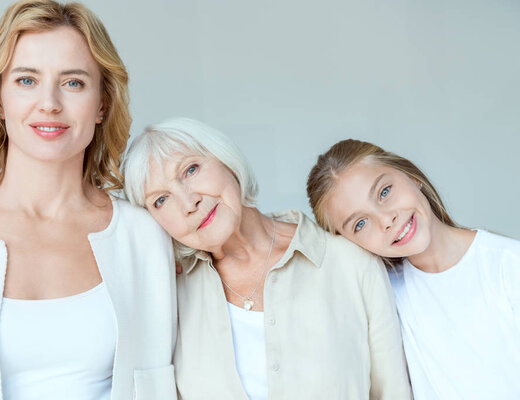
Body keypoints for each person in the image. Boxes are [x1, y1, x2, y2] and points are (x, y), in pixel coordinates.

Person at [0, 1, 177, 399]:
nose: (50, 103)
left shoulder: (144, 236)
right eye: (26, 80)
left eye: (73, 82)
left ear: (102, 104)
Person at [121, 118, 412, 400]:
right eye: (161, 200)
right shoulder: (170, 294)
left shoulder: (349, 262)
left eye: (191, 170)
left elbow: (393, 392)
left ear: (227, 162)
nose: (188, 202)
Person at [306, 139, 520, 400]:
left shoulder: (508, 266)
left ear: (411, 176)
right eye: (360, 223)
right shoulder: (381, 301)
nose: (386, 220)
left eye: (384, 192)